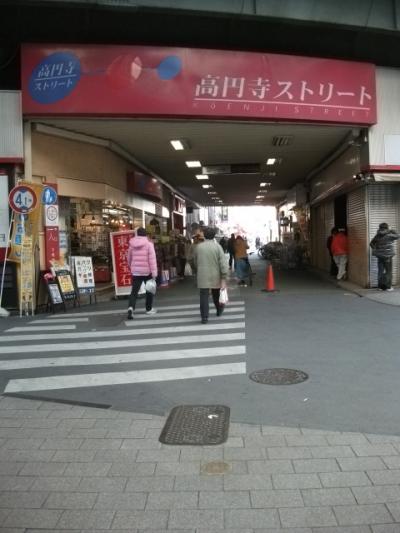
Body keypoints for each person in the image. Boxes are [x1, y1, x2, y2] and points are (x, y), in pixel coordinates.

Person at [193, 227, 228, 324]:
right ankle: (219, 310)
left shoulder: (198, 247)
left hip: (202, 275)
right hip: (215, 275)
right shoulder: (218, 247)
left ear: (204, 235)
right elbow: (223, 263)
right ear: (214, 236)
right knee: (216, 293)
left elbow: (194, 261)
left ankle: (204, 317)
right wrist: (224, 276)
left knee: (203, 296)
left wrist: (197, 269)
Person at [126, 227, 158, 319]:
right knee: (149, 290)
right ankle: (148, 309)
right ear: (145, 234)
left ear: (137, 234)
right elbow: (152, 260)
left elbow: (129, 258)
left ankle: (131, 308)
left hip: (136, 272)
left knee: (134, 292)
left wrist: (132, 267)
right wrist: (154, 273)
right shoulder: (149, 244)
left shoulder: (132, 245)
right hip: (147, 272)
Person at [370, 222, 400, 291]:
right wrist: (391, 230)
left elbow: (371, 243)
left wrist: (376, 249)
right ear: (387, 228)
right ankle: (388, 287)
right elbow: (398, 235)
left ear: (380, 228)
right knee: (388, 271)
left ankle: (380, 287)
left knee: (380, 271)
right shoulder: (390, 235)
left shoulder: (377, 235)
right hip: (388, 256)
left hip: (380, 256)